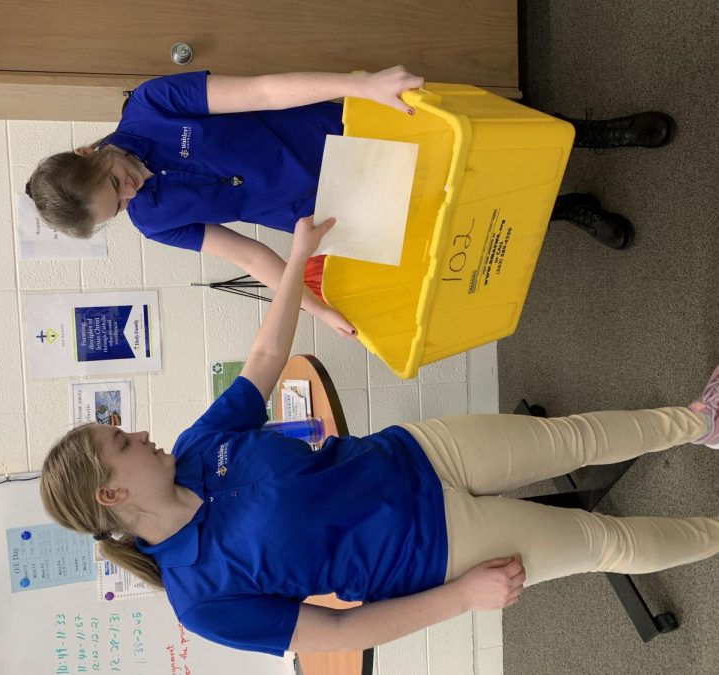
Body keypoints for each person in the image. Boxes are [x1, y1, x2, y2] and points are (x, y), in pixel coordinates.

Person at [39, 214, 718, 657]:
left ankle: (699, 420)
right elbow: (336, 631)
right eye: (124, 441)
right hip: (439, 551)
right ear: (114, 489)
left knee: (570, 439)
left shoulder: (196, 448)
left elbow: (263, 360)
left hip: (419, 452)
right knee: (604, 542)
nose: (141, 433)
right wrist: (462, 597)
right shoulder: (201, 595)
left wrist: (296, 255)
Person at [25, 68, 676, 339]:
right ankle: (570, 208)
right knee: (466, 216)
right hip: (336, 204)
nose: (131, 193)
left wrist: (362, 84)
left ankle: (596, 132)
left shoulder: (153, 107)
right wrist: (317, 308)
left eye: (116, 182)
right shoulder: (151, 219)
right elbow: (251, 253)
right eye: (120, 204)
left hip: (336, 130)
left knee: (483, 144)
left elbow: (262, 93)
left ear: (89, 152)